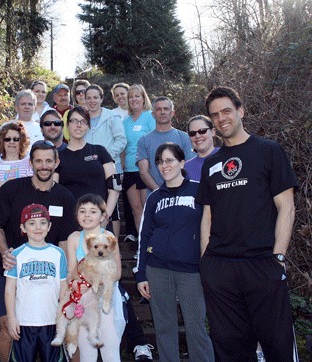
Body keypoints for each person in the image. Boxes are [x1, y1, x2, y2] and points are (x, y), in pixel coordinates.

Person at [197, 86, 298, 361]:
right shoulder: (212, 163)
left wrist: (278, 256)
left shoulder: (268, 151)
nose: (221, 118)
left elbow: (286, 206)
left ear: (240, 111)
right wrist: (206, 262)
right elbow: (207, 214)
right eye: (215, 115)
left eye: (227, 111)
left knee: (278, 347)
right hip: (220, 269)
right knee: (230, 351)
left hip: (263, 264)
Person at [0, 140, 78, 361]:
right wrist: (5, 252)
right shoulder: (11, 189)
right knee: (8, 325)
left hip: (46, 269)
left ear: (56, 162)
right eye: (38, 161)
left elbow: (65, 241)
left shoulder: (65, 197)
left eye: (49, 161)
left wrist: (67, 275)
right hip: (5, 266)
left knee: (60, 324)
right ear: (31, 163)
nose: (44, 166)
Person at [135, 143, 214, 362]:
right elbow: (144, 237)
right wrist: (140, 273)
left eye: (169, 160)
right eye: (160, 161)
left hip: (191, 270)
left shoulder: (199, 190)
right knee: (164, 327)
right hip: (157, 269)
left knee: (196, 326)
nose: (164, 165)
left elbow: (212, 228)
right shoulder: (154, 197)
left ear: (182, 162)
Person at [4, 204, 67, 362]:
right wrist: (11, 318)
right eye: (31, 223)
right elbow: (9, 290)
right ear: (23, 228)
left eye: (43, 223)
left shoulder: (58, 254)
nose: (38, 227)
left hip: (52, 321)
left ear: (49, 226)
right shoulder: (16, 255)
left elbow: (64, 288)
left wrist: (64, 316)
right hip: (24, 322)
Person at [66, 194, 124, 361]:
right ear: (77, 216)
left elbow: (117, 273)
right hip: (83, 302)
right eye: (82, 211)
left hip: (105, 300)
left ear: (103, 216)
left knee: (110, 349)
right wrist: (76, 283)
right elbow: (71, 271)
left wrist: (93, 282)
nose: (87, 215)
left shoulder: (109, 238)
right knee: (86, 353)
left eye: (93, 211)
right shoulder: (74, 238)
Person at [54, 106, 120, 227]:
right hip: (70, 222)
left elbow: (115, 187)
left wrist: (106, 216)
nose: (78, 125)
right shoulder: (58, 157)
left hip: (99, 221)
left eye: (83, 121)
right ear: (67, 125)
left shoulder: (100, 151)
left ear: (88, 126)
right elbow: (54, 191)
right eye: (74, 121)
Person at [84, 84, 127, 236]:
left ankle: (113, 245)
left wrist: (104, 156)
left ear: (101, 98)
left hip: (111, 168)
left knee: (112, 208)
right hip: (89, 169)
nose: (92, 101)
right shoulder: (82, 117)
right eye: (88, 98)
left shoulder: (112, 117)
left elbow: (121, 140)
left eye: (95, 97)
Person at [136, 96, 195, 194]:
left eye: (166, 109)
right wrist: (159, 192)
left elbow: (189, 167)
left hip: (182, 194)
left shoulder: (184, 138)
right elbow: (144, 172)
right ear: (153, 114)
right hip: (155, 196)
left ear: (172, 113)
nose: (162, 112)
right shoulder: (143, 141)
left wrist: (180, 190)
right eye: (158, 109)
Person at [122, 84, 155, 233]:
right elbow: (123, 147)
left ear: (143, 98)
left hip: (146, 170)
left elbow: (155, 141)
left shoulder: (150, 116)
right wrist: (122, 167)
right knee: (137, 211)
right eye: (131, 97)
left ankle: (152, 246)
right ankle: (141, 247)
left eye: (137, 96)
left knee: (148, 210)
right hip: (129, 170)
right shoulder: (125, 122)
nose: (134, 99)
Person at [111, 82, 138, 242]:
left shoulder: (136, 113)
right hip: (122, 163)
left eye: (124, 93)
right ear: (114, 98)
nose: (121, 96)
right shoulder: (113, 114)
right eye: (118, 94)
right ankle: (129, 232)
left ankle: (136, 233)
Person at [0, 122, 32, 202]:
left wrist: (3, 185)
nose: (11, 142)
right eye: (7, 139)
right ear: (2, 141)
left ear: (22, 142)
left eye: (16, 139)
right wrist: (18, 184)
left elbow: (30, 188)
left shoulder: (29, 164)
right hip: (1, 211)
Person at [0, 89, 43, 161]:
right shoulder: (6, 127)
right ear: (16, 107)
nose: (27, 107)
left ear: (35, 108)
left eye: (30, 104)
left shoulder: (41, 129)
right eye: (23, 104)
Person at [184, 115, 220, 181]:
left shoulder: (227, 156)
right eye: (192, 133)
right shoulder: (187, 167)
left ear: (213, 132)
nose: (197, 136)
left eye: (202, 131)